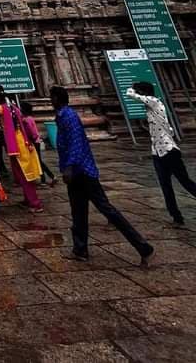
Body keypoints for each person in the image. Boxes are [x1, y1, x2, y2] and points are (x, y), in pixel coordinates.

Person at [50, 85, 154, 265]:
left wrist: (69, 167)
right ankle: (80, 249)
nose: (50, 101)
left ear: (58, 99)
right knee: (78, 212)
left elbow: (76, 143)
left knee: (107, 209)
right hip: (76, 173)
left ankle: (143, 246)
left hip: (82, 172)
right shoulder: (62, 116)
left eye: (52, 98)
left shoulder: (69, 116)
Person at [127, 81, 196, 228]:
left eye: (140, 91)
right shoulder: (153, 108)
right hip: (157, 152)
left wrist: (132, 88)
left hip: (169, 151)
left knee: (185, 182)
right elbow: (169, 128)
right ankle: (176, 217)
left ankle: (177, 216)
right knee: (165, 186)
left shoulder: (154, 101)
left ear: (144, 93)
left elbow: (130, 95)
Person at [0, 86, 43, 213]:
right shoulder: (14, 108)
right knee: (22, 173)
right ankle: (28, 200)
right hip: (22, 140)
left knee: (24, 174)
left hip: (16, 143)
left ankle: (35, 203)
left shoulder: (3, 108)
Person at [20, 101, 56, 187]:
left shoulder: (26, 120)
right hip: (36, 140)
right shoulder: (30, 118)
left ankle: (49, 177)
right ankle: (47, 177)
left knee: (38, 161)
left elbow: (31, 131)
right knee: (39, 160)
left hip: (34, 141)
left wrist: (31, 138)